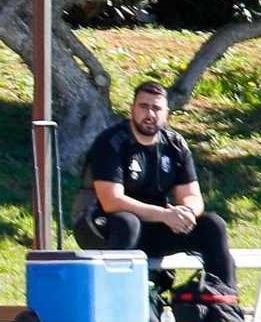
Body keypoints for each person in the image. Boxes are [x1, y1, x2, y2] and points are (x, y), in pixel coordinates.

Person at [73, 81, 237, 290]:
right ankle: (116, 298)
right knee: (127, 222)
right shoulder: (111, 142)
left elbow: (193, 196)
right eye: (143, 106)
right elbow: (111, 202)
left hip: (152, 225)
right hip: (99, 224)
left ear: (166, 113)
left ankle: (224, 300)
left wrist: (185, 213)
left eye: (156, 108)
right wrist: (164, 215)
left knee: (212, 225)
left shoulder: (175, 145)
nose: (149, 114)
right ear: (132, 109)